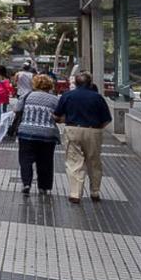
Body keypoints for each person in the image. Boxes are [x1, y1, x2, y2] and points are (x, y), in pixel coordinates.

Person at [54, 71, 112, 204]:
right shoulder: (98, 98)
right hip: (93, 130)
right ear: (90, 83)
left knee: (74, 161)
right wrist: (97, 129)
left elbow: (57, 115)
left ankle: (75, 193)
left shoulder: (67, 95)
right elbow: (107, 119)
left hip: (73, 129)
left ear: (75, 83)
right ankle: (95, 191)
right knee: (94, 161)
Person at [16, 74, 61, 196]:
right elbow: (59, 117)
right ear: (50, 85)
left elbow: (17, 110)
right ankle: (43, 187)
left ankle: (26, 183)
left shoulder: (26, 96)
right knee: (45, 161)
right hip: (47, 134)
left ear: (35, 84)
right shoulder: (55, 99)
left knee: (25, 159)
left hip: (26, 132)